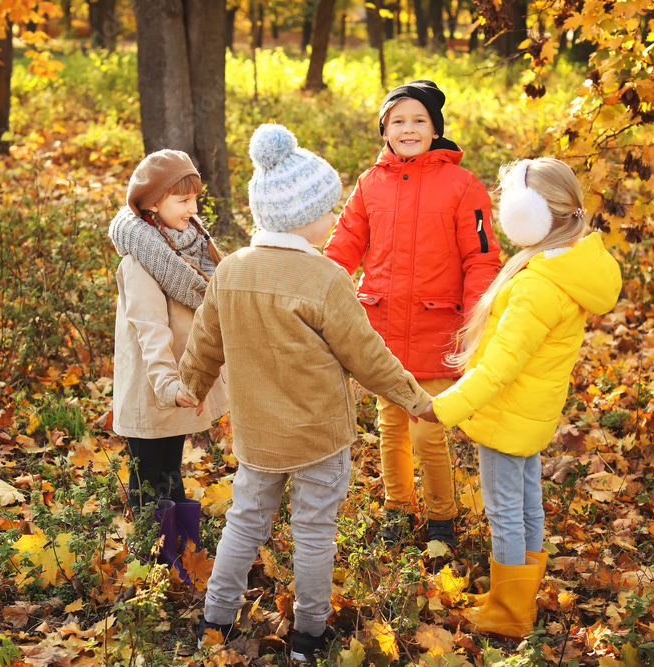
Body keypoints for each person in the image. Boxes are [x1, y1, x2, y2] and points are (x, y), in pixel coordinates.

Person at [179, 124, 437, 663]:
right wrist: (416, 400)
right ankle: (310, 635)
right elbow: (366, 356)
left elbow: (206, 341)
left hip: (258, 435)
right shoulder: (324, 278)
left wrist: (190, 388)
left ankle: (215, 619)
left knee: (244, 522)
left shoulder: (231, 270)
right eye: (330, 212)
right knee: (315, 532)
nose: (336, 220)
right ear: (302, 217)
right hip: (320, 434)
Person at [432, 157, 622, 638]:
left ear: (528, 214)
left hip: (505, 416)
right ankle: (517, 596)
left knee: (505, 513)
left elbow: (500, 367)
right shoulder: (566, 265)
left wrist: (442, 408)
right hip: (529, 414)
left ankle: (511, 615)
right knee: (528, 505)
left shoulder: (538, 285)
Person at [324, 79, 502, 548]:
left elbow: (481, 258)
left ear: (435, 128)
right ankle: (397, 509)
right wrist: (315, 283)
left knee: (428, 432)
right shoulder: (369, 184)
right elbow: (344, 245)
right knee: (391, 428)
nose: (408, 129)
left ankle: (442, 516)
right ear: (384, 129)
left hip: (437, 327)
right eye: (398, 121)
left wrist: (475, 319)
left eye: (418, 120)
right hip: (380, 329)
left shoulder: (462, 185)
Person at [109, 149, 229, 580]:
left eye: (195, 199)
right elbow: (149, 330)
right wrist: (167, 386)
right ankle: (155, 564)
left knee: (171, 474)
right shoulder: (140, 260)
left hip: (178, 387)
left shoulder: (192, 248)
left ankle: (185, 553)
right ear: (153, 203)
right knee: (148, 480)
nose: (193, 210)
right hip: (154, 389)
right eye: (182, 201)